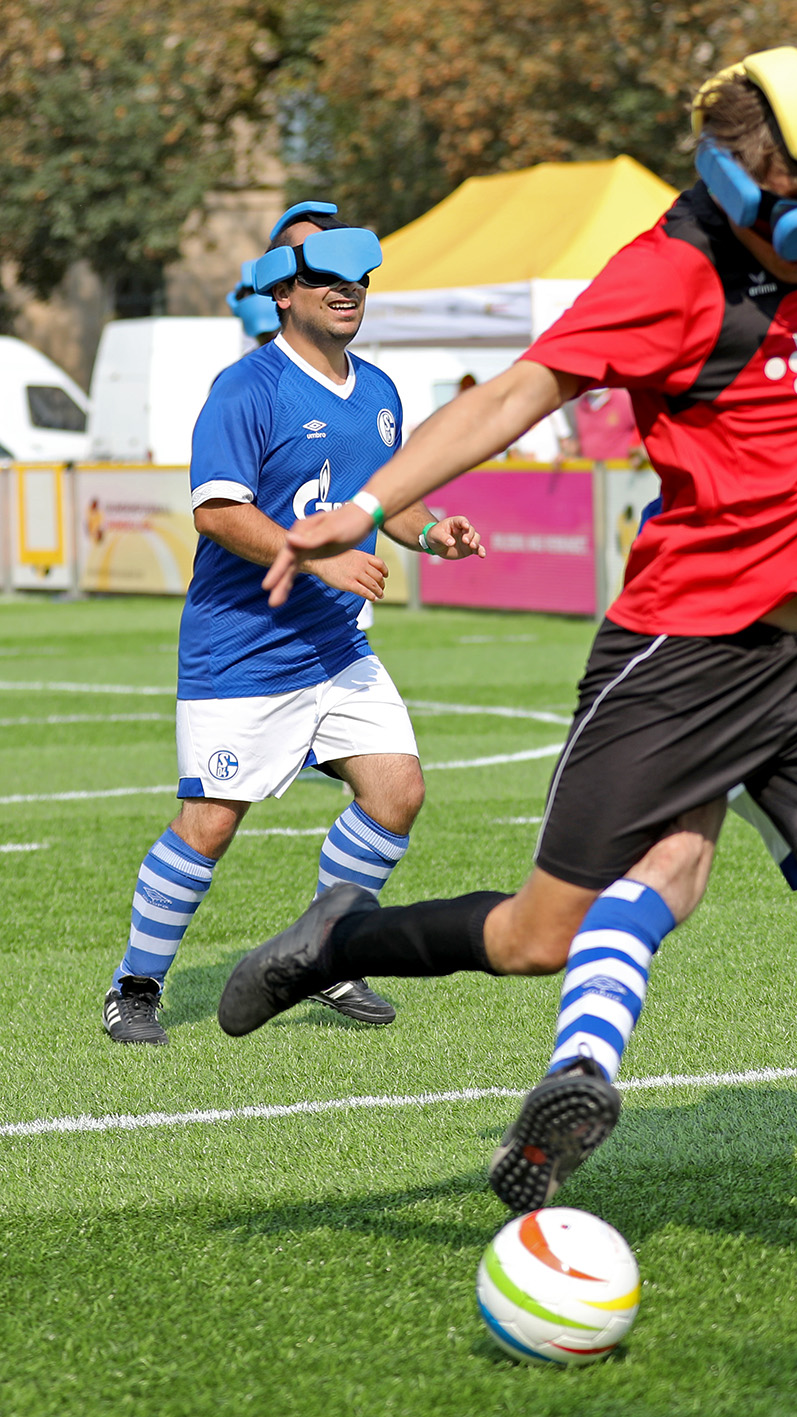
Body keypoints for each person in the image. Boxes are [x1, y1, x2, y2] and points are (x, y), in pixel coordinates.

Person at [215, 47, 797, 1337]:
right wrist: (366, 503)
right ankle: (335, 942)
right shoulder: (670, 272)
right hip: (684, 655)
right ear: (741, 197)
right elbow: (521, 390)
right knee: (540, 934)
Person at [100, 201, 485, 1046]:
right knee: (211, 823)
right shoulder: (246, 389)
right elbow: (217, 512)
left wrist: (431, 531)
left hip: (337, 648)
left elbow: (388, 498)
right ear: (282, 292)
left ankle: (324, 956)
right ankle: (135, 984)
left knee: (397, 791)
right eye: (324, 274)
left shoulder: (378, 390)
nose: (348, 288)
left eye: (359, 276)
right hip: (242, 650)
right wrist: (317, 559)